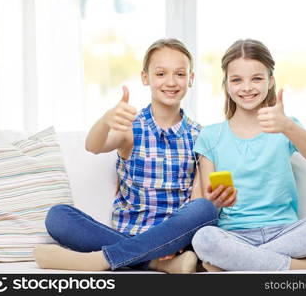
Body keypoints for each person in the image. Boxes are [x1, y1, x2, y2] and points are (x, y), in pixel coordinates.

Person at [33, 38, 218, 273]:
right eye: (161, 74)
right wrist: (105, 120)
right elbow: (93, 146)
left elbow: (198, 198)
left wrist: (178, 241)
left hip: (174, 238)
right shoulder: (131, 127)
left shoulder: (199, 135)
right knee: (57, 216)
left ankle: (102, 259)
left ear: (191, 79)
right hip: (127, 234)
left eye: (180, 74)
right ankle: (155, 262)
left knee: (205, 209)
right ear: (145, 77)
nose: (170, 82)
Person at [191, 39, 306, 272]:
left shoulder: (284, 126)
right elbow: (201, 204)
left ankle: (243, 262)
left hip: (286, 231)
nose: (247, 87)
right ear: (227, 85)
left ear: (270, 81)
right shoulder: (210, 136)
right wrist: (215, 203)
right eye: (237, 80)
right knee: (204, 238)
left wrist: (287, 126)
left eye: (257, 78)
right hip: (234, 235)